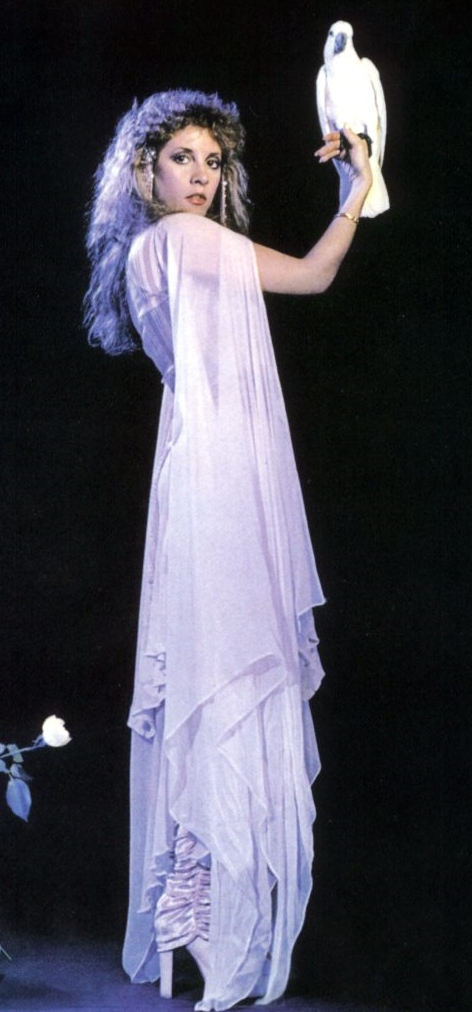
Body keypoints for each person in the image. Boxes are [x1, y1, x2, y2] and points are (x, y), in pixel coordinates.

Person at [84, 89, 372, 1011]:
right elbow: (315, 277)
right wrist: (360, 187)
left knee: (207, 680)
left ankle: (194, 916)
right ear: (146, 169)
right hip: (220, 478)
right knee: (231, 678)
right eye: (184, 158)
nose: (202, 176)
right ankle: (210, 925)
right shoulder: (187, 240)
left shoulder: (144, 255)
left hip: (191, 470)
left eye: (214, 162)